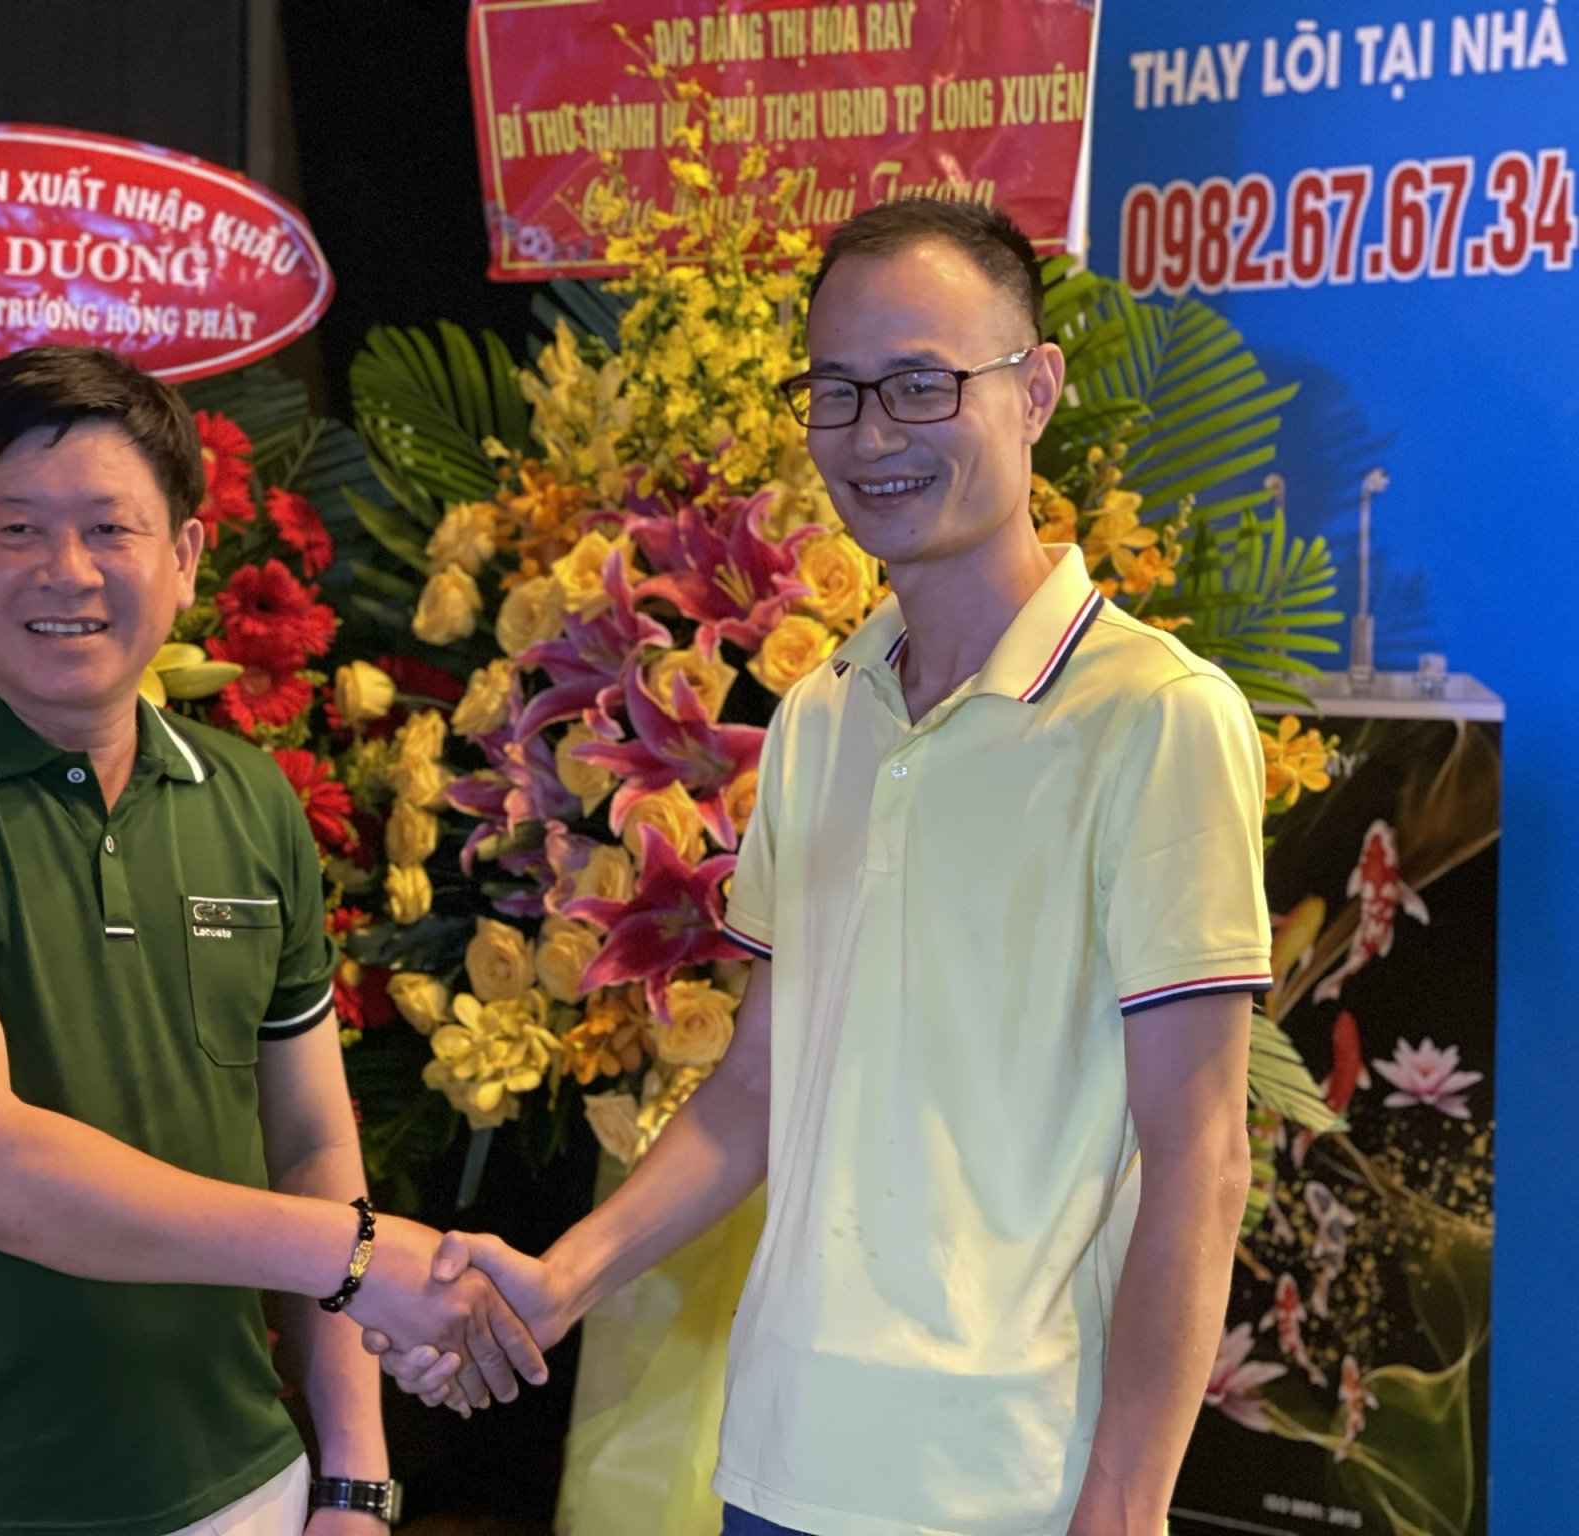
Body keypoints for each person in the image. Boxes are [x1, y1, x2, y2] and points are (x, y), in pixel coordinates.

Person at [373, 200, 1272, 1536]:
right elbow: (756, 1086)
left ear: (1035, 390)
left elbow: (1199, 1154)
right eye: (836, 391)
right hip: (781, 1454)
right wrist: (560, 1282)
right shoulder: (821, 714)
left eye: (920, 384)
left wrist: (1128, 1499)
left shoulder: (1154, 716)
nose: (870, 434)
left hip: (1006, 1480)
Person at [0, 345, 544, 1536]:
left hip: (238, 1487)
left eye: (110, 529)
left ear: (183, 558)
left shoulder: (249, 798)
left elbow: (307, 1138)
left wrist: (352, 1478)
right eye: (17, 529)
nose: (66, 570)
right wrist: (356, 1256)